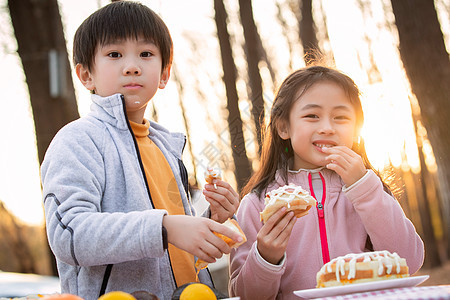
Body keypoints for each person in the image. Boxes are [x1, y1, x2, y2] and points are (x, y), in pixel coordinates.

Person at [40, 2, 241, 299]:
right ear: (86, 76)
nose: (131, 65)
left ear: (163, 74)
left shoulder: (165, 146)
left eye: (146, 54)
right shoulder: (77, 140)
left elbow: (172, 232)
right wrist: (164, 228)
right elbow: (69, 233)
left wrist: (211, 216)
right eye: (114, 54)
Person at [229, 66, 424, 299]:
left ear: (356, 130)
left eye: (340, 117)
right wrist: (265, 257)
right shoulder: (257, 204)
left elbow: (410, 262)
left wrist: (364, 188)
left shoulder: (368, 188)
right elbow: (244, 295)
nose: (327, 128)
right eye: (312, 116)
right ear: (283, 127)